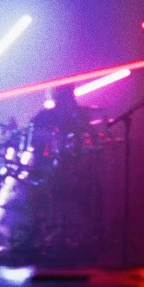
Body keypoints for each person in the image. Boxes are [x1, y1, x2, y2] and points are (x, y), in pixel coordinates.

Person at [27, 83, 103, 262]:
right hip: (54, 170)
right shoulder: (49, 116)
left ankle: (58, 235)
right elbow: (35, 141)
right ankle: (46, 235)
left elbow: (90, 140)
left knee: (78, 196)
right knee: (49, 197)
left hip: (70, 171)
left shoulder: (72, 116)